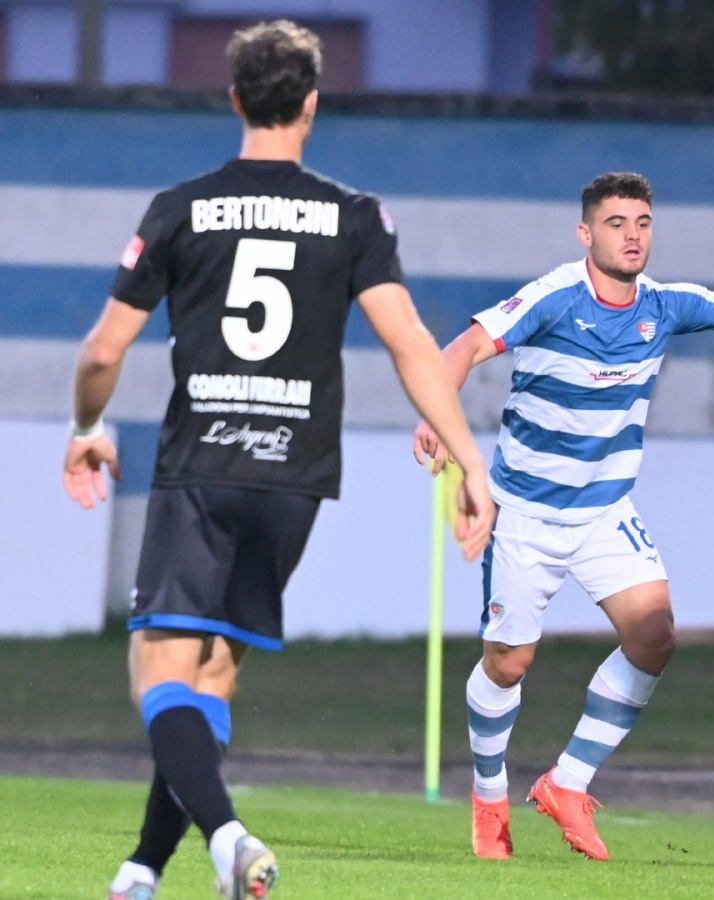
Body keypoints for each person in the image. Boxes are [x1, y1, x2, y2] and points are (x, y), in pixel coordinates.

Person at [63, 20, 494, 900]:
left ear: (234, 99)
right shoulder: (354, 215)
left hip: (202, 469)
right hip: (294, 478)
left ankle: (224, 838)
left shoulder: (181, 207)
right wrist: (469, 464)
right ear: (311, 104)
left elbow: (103, 352)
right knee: (213, 673)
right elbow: (411, 343)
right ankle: (142, 871)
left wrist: (86, 426)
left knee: (158, 669)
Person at [410, 171, 714, 863]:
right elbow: (460, 350)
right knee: (508, 665)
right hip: (528, 514)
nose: (632, 236)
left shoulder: (665, 305)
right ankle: (489, 797)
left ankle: (566, 784)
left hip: (604, 511)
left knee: (655, 634)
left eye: (642, 223)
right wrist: (436, 418)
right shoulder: (552, 297)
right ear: (585, 233)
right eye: (616, 223)